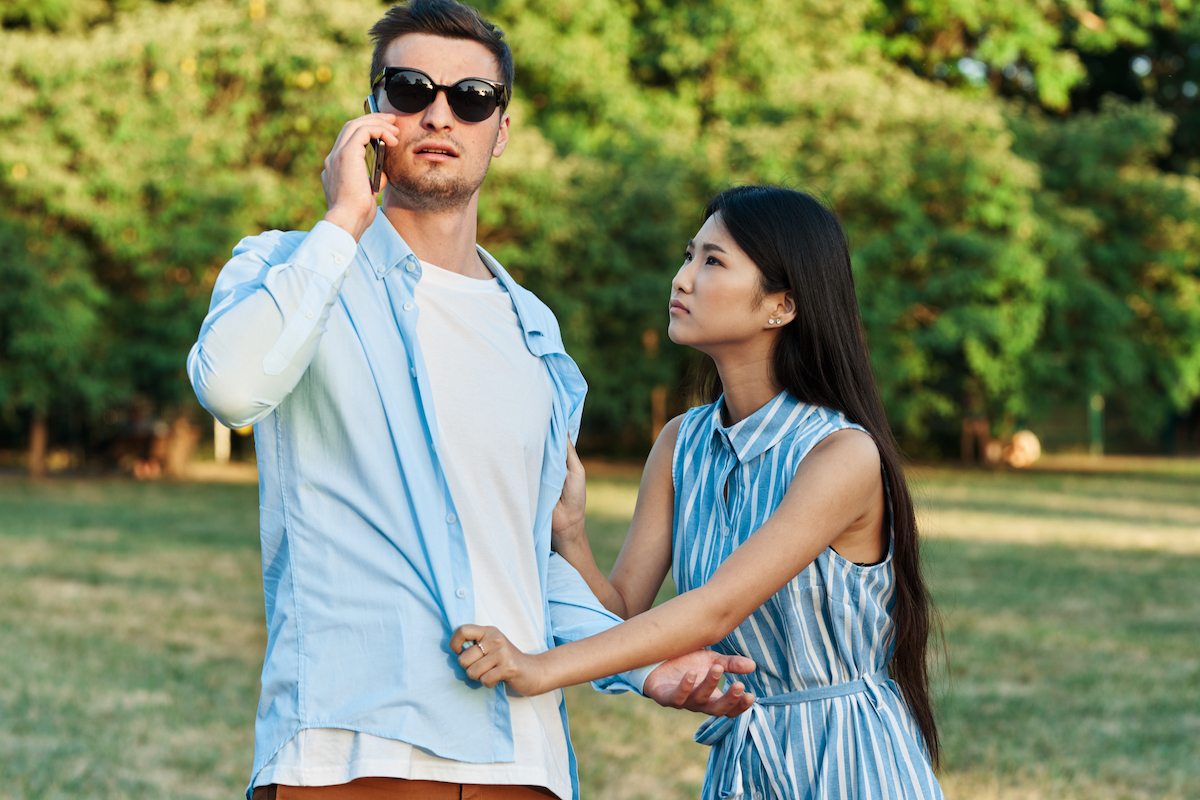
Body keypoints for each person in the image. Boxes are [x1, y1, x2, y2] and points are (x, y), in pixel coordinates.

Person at [186, 2, 756, 798]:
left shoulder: (533, 334)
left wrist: (646, 664)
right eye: (410, 88)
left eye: (471, 98)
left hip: (524, 764)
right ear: (372, 116)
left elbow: (526, 568)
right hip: (356, 752)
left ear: (501, 129)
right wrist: (346, 217)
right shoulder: (289, 269)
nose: (438, 113)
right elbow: (232, 389)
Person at [452, 185, 945, 799]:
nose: (681, 279)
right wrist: (572, 534)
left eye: (712, 262)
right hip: (744, 764)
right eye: (689, 256)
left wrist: (538, 669)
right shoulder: (680, 444)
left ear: (781, 306)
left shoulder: (841, 455)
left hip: (847, 761)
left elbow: (715, 608)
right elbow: (624, 613)